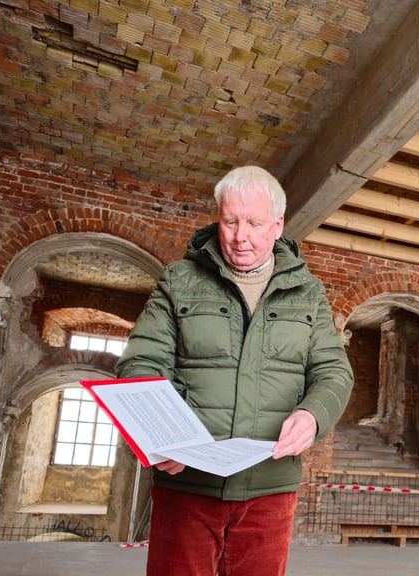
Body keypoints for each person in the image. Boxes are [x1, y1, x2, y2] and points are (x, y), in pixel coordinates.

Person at [115, 166, 354, 576]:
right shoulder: (179, 280)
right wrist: (162, 436)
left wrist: (313, 415)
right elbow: (142, 362)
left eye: (255, 223)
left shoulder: (308, 293)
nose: (240, 235)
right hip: (188, 483)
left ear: (277, 226)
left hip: (269, 489)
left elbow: (333, 370)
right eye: (230, 221)